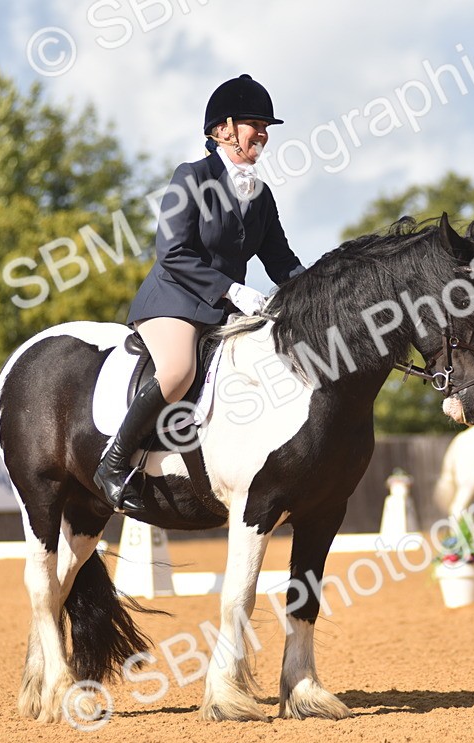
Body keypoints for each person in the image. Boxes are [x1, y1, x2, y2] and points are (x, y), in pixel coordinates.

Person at [94, 74, 305, 512]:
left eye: (266, 127)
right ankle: (112, 463)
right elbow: (171, 251)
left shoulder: (260, 194)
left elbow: (281, 261)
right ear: (223, 129)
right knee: (178, 371)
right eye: (255, 125)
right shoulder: (191, 176)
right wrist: (232, 290)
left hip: (225, 310)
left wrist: (319, 288)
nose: (263, 134)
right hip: (174, 300)